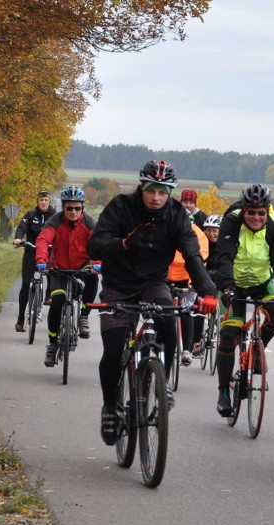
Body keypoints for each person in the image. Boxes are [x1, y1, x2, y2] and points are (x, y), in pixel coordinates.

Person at [88, 160, 218, 445]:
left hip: (153, 283)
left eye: (163, 191)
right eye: (151, 190)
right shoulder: (121, 207)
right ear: (142, 187)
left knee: (168, 321)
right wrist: (122, 244)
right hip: (118, 285)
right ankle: (110, 406)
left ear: (170, 192)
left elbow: (193, 256)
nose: (156, 197)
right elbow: (94, 246)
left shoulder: (176, 216)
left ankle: (163, 381)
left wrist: (208, 292)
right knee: (113, 347)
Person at [214, 184, 274, 417]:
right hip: (233, 285)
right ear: (244, 210)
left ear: (268, 211)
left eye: (261, 213)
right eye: (251, 213)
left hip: (262, 283)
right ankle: (224, 392)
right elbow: (224, 257)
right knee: (228, 337)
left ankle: (259, 349)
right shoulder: (231, 222)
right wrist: (226, 287)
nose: (256, 217)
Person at [35, 186, 99, 367]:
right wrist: (41, 260)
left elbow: (99, 242)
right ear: (63, 208)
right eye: (69, 208)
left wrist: (98, 263)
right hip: (59, 268)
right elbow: (43, 240)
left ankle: (84, 316)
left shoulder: (89, 222)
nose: (73, 212)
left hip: (82, 265)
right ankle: (53, 344)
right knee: (57, 301)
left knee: (93, 277)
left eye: (77, 208)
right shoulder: (55, 221)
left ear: (82, 208)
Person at [168, 216, 210, 365]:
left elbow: (200, 257)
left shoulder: (197, 233)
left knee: (186, 310)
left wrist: (194, 282)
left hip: (187, 276)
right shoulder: (167, 227)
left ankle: (186, 350)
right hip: (165, 275)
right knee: (162, 310)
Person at [12, 190, 56, 332]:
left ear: (49, 202)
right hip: (32, 250)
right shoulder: (31, 215)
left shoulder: (55, 215)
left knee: (53, 272)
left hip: (49, 251)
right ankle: (20, 320)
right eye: (41, 200)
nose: (43, 202)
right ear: (37, 202)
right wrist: (18, 238)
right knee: (25, 283)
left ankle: (49, 293)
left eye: (46, 200)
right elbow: (21, 228)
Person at [192, 214, 222, 358]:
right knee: (199, 307)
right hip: (204, 282)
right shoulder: (201, 244)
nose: (211, 233)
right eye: (209, 230)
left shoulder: (224, 246)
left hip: (219, 281)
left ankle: (219, 330)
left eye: (215, 230)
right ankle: (196, 343)